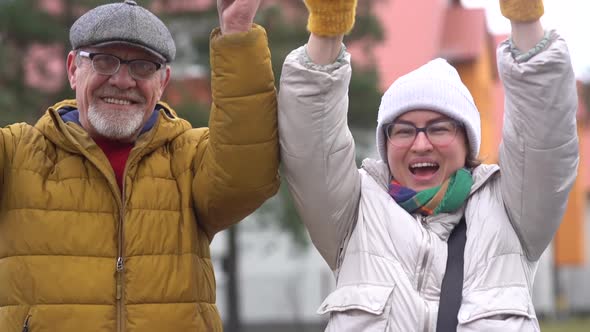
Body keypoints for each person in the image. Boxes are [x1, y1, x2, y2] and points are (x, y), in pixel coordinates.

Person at [279, 0, 578, 330]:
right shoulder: (353, 215)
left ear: (467, 143)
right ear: (386, 143)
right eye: (404, 130)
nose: (421, 144)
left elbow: (543, 134)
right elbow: (310, 142)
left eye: (439, 128)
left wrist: (525, 18)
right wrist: (327, 27)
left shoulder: (512, 212)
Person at [0, 0, 279, 331]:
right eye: (104, 61)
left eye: (143, 66)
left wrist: (237, 36)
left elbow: (247, 173)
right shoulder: (16, 155)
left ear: (163, 81)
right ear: (74, 69)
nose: (122, 80)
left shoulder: (189, 159)